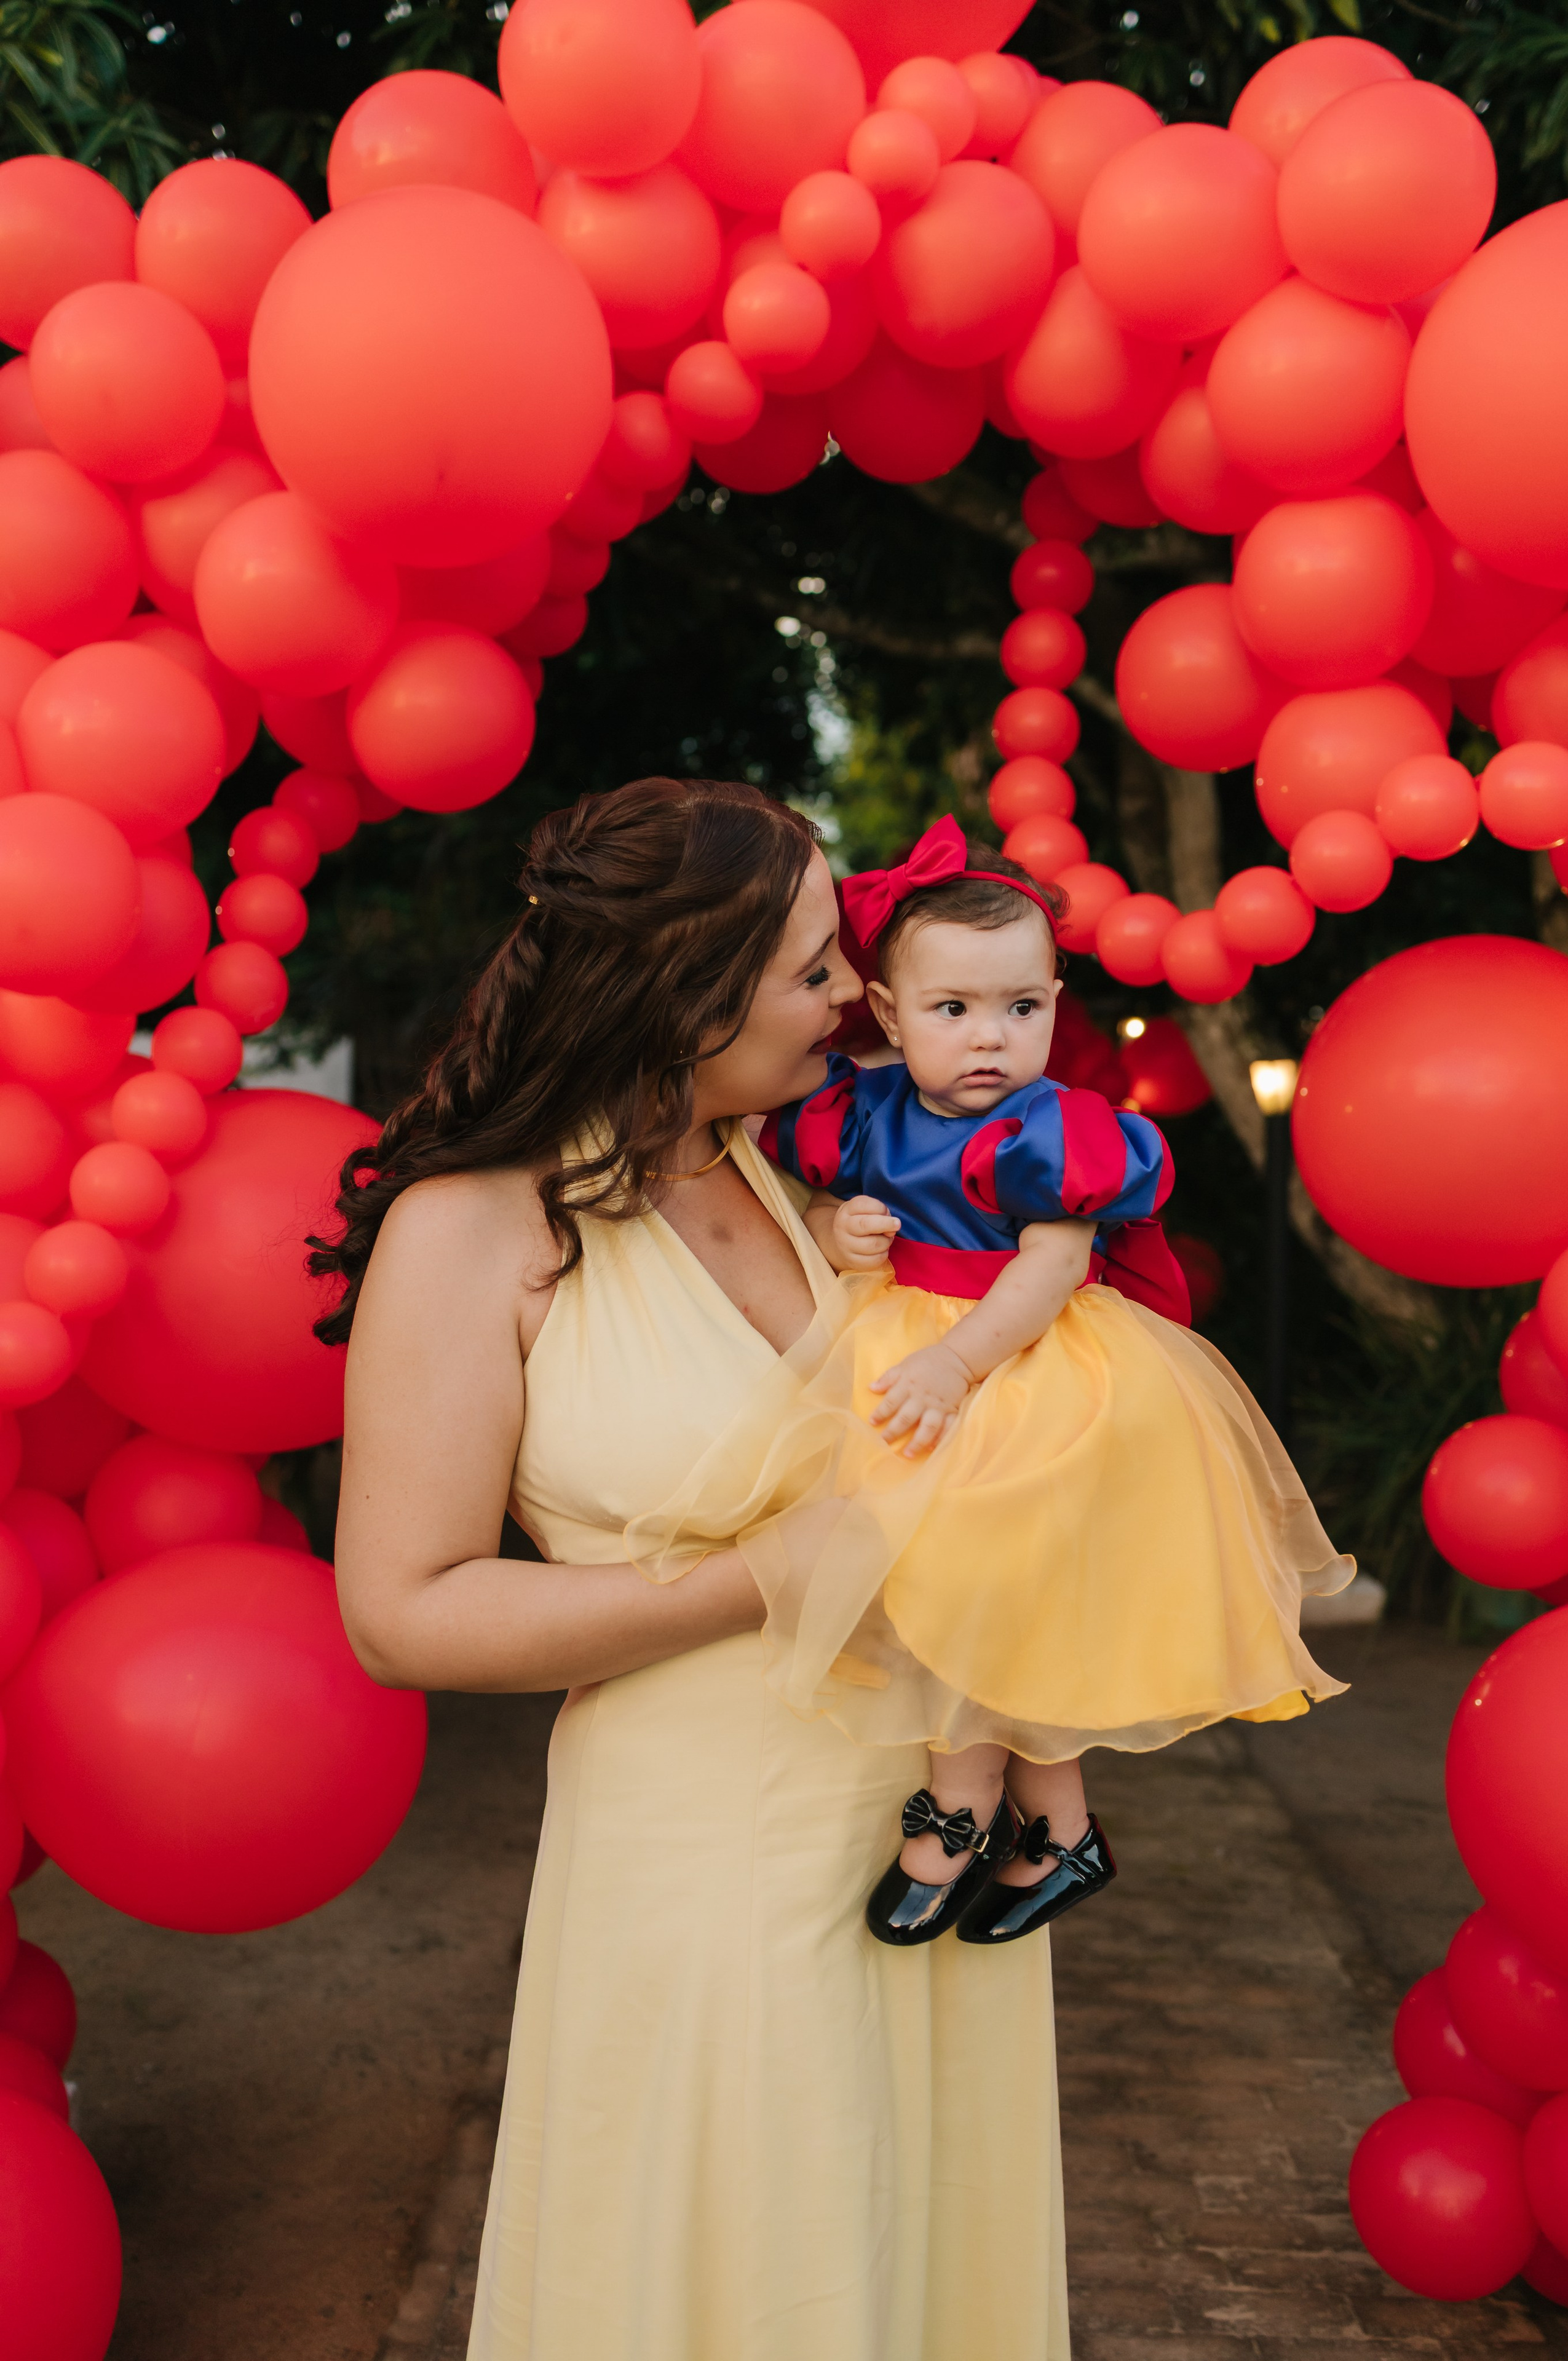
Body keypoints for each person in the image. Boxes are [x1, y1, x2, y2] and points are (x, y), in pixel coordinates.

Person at [321, 777, 1073, 2361]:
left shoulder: (805, 1176)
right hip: (708, 1859)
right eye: (812, 969)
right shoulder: (473, 1229)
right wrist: (762, 1576)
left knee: (912, 2265)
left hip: (918, 1844)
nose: (851, 996)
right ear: (683, 994)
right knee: (750, 2273)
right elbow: (402, 1613)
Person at [627, 818, 1352, 1955]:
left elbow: (1053, 1268)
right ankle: (1060, 1829)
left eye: (1020, 1008)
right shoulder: (861, 1111)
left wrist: (957, 1364)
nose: (989, 1038)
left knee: (982, 1582)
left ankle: (963, 1812)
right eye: (953, 1010)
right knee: (931, 1580)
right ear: (888, 1015)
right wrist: (837, 1223)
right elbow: (816, 1209)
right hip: (904, 1345)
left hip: (1019, 1360)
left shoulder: (1054, 1130)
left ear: (1056, 1002)